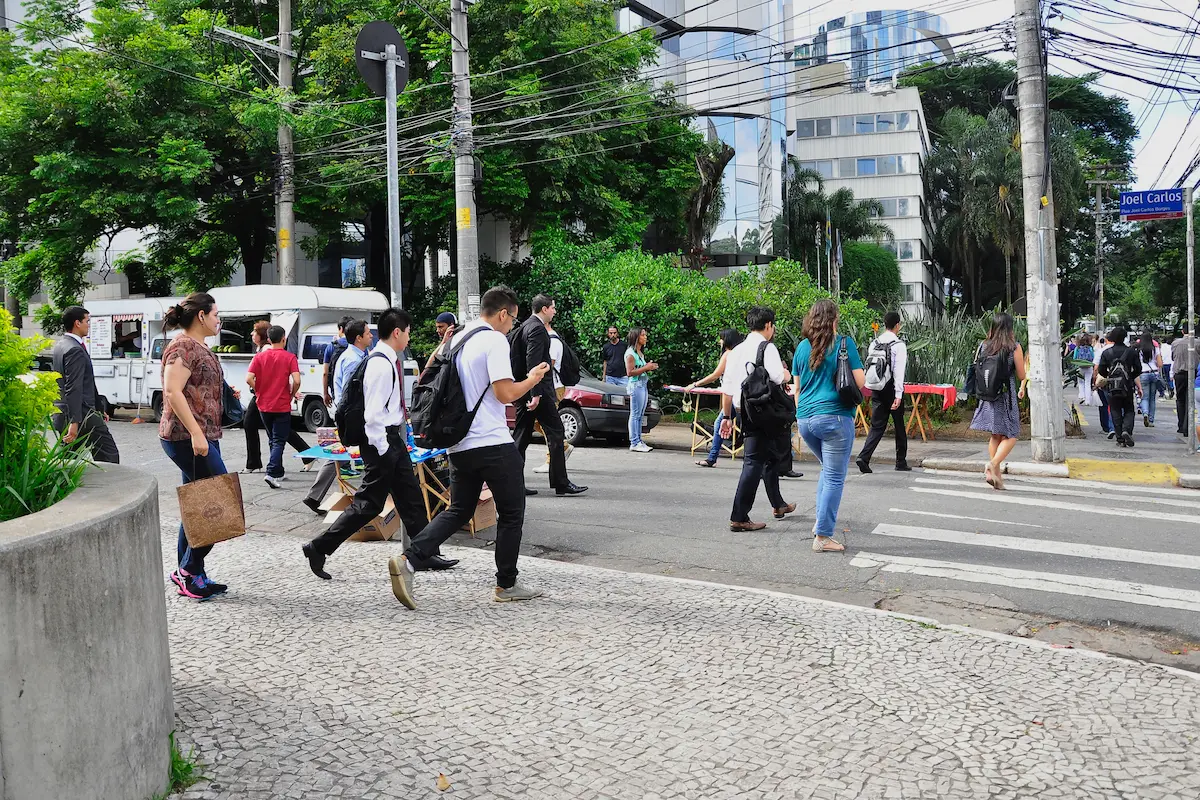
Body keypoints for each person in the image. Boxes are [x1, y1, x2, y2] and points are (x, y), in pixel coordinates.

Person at [388, 286, 552, 609]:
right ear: (503, 314)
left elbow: (430, 372)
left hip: (459, 444)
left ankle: (409, 561)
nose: (512, 328)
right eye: (512, 321)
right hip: (492, 442)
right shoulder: (493, 340)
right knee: (512, 511)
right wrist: (532, 379)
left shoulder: (457, 338)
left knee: (458, 510)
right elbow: (505, 393)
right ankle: (506, 584)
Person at [302, 308, 451, 580]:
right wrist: (385, 449)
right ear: (397, 332)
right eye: (407, 332)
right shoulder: (381, 364)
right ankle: (318, 547)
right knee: (369, 504)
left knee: (411, 498)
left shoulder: (384, 358)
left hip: (389, 439)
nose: (409, 337)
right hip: (381, 441)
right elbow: (372, 415)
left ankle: (424, 553)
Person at [159, 293, 231, 600]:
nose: (219, 319)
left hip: (203, 436)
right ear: (201, 316)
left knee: (196, 506)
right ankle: (187, 571)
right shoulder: (182, 346)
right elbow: (173, 391)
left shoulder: (200, 347)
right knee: (221, 503)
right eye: (216, 314)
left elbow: (193, 388)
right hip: (185, 438)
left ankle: (192, 574)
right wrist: (196, 434)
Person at [792, 300, 864, 551]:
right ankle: (822, 536)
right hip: (834, 417)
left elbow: (797, 388)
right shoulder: (844, 343)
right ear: (834, 320)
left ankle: (819, 525)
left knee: (827, 469)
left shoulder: (802, 347)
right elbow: (860, 381)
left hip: (805, 419)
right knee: (835, 476)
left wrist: (803, 412)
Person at [720, 306, 794, 532]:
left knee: (770, 457)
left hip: (743, 411)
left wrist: (726, 417)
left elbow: (728, 388)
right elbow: (778, 376)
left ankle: (778, 504)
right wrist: (788, 374)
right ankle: (739, 516)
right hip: (763, 413)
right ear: (769, 325)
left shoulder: (737, 351)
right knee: (753, 463)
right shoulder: (767, 347)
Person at [511, 295, 587, 496]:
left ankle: (514, 483)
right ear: (544, 309)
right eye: (553, 308)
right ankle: (561, 483)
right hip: (538, 392)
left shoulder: (525, 326)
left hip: (526, 390)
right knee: (555, 433)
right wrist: (536, 394)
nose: (555, 311)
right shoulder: (536, 329)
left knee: (521, 436)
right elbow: (533, 362)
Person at [304, 319, 371, 514]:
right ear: (358, 338)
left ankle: (314, 496)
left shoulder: (355, 355)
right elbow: (354, 393)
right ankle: (367, 502)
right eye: (367, 333)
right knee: (361, 453)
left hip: (349, 413)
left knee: (340, 454)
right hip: (353, 415)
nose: (370, 336)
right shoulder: (352, 359)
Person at [51, 305, 120, 463]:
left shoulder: (60, 345)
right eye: (87, 321)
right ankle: (109, 487)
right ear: (77, 323)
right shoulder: (74, 349)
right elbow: (73, 387)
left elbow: (86, 381)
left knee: (68, 459)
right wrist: (74, 422)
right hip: (81, 414)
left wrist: (99, 408)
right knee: (108, 454)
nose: (89, 325)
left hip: (66, 412)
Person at [243, 320, 313, 473]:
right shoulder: (267, 351)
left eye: (255, 332)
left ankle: (267, 466)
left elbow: (272, 375)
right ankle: (299, 456)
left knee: (271, 432)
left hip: (265, 395)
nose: (252, 334)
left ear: (265, 336)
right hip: (272, 395)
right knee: (280, 432)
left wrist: (260, 390)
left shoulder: (267, 350)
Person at [969, 312, 1027, 490]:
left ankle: (996, 476)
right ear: (1010, 328)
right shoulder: (1014, 347)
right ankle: (993, 464)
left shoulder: (984, 345)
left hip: (987, 394)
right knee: (1012, 434)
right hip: (1005, 395)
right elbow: (1021, 375)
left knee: (996, 434)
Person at [247, 325, 301, 489]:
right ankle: (271, 473)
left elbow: (249, 378)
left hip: (263, 405)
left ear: (269, 339)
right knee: (279, 441)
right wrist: (292, 394)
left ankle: (278, 471)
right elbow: (297, 380)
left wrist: (259, 391)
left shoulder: (260, 357)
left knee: (272, 439)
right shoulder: (289, 357)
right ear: (283, 339)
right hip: (282, 404)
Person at [855, 311, 909, 473]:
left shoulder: (875, 343)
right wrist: (898, 395)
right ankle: (900, 461)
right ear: (897, 325)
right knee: (899, 426)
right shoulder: (898, 345)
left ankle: (864, 457)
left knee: (877, 426)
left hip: (877, 387)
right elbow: (899, 372)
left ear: (884, 324)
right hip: (891, 388)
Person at [689, 329, 743, 467]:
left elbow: (715, 375)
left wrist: (695, 384)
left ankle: (712, 458)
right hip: (743, 396)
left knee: (721, 423)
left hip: (733, 396)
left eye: (721, 339)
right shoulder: (741, 353)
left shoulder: (728, 354)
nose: (719, 341)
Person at [533, 319, 575, 473]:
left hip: (554, 387)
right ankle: (562, 446)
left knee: (548, 423)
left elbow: (546, 365)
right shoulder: (548, 339)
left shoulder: (552, 341)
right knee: (538, 423)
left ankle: (553, 457)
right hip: (550, 387)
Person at [1098, 326, 1143, 448]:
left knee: (1115, 410)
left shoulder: (1106, 352)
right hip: (1127, 385)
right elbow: (1139, 369)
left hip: (1112, 386)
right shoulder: (1131, 352)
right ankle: (1126, 430)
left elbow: (1101, 370)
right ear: (1124, 337)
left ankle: (1119, 438)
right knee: (1129, 409)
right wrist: (1130, 377)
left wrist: (1110, 376)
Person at [625, 327, 659, 453]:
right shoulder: (630, 354)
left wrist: (648, 367)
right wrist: (646, 368)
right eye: (643, 335)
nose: (645, 337)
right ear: (636, 337)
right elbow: (630, 373)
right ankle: (634, 441)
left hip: (643, 384)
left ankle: (639, 440)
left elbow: (641, 368)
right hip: (636, 385)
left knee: (640, 415)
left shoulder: (640, 352)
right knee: (635, 414)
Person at [321, 316, 353, 407]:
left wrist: (325, 393)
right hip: (356, 392)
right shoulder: (358, 345)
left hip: (337, 390)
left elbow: (325, 373)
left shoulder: (331, 347)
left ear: (341, 329)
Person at [1135, 332, 1162, 427]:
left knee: (1144, 397)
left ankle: (1145, 413)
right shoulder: (1155, 348)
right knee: (1152, 398)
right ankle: (1151, 419)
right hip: (1154, 373)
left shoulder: (1138, 349)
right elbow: (1160, 363)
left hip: (1143, 373)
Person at [1172, 324, 1194, 436]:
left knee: (1180, 400)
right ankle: (1187, 426)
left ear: (1182, 331)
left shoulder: (1175, 343)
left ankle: (1181, 425)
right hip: (1193, 374)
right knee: (1190, 401)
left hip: (1179, 374)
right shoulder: (1197, 343)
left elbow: (1173, 357)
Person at [1092, 336, 1115, 439]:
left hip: (1104, 380)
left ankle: (1107, 427)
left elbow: (1096, 368)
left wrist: (1095, 381)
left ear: (1106, 340)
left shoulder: (1101, 351)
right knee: (1118, 405)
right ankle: (1117, 427)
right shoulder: (1126, 350)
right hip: (1121, 381)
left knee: (1104, 404)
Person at [1074, 333, 1095, 406]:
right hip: (1089, 367)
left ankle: (1082, 396)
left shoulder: (1078, 348)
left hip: (1080, 367)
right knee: (1088, 383)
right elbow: (1093, 357)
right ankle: (1088, 400)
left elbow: (1074, 358)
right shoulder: (1090, 348)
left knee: (1081, 382)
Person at [1161, 335, 1175, 399]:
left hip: (1164, 363)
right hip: (1172, 363)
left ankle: (1168, 389)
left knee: (1166, 378)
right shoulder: (1174, 346)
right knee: (1171, 377)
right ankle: (1171, 387)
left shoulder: (1163, 346)